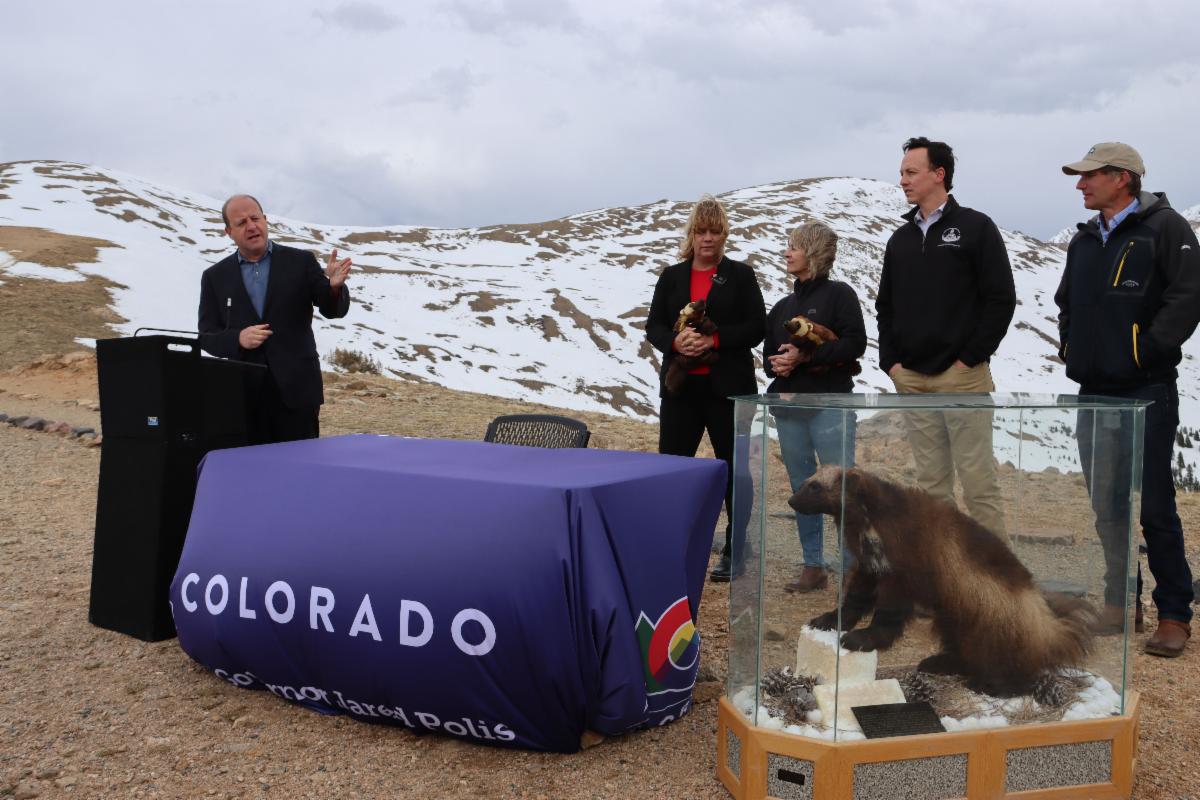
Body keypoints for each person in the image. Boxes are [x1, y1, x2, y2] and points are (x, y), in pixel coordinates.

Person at [1056, 142, 1199, 657]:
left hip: (1146, 389)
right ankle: (1119, 600)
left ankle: (1175, 614)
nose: (1080, 185)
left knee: (1155, 505)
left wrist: (1148, 350)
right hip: (1093, 389)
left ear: (1122, 177)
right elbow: (1066, 301)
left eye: (1089, 176)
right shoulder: (1085, 240)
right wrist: (1071, 344)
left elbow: (1187, 297)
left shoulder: (1166, 229)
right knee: (1107, 505)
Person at [876, 136, 1016, 536]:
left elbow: (1000, 299)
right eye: (902, 172)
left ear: (939, 174)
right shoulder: (899, 239)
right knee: (932, 488)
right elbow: (885, 306)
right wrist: (892, 364)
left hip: (963, 377)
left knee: (978, 485)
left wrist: (968, 358)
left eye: (911, 172)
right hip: (912, 379)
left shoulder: (975, 228)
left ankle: (997, 588)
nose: (902, 180)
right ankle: (945, 580)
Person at [647, 194, 766, 582]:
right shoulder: (672, 277)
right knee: (673, 468)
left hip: (726, 389)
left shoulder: (741, 276)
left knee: (734, 470)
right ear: (692, 234)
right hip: (681, 390)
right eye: (701, 231)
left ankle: (736, 548)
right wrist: (677, 343)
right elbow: (654, 327)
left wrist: (714, 342)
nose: (708, 238)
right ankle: (671, 543)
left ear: (724, 234)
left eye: (715, 231)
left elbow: (756, 328)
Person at [198, 194, 352, 443]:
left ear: (265, 220)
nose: (251, 226)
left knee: (301, 469)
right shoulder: (215, 277)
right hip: (244, 396)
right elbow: (206, 336)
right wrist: (238, 338)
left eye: (255, 218)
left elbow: (332, 309)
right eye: (241, 223)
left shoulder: (301, 261)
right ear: (229, 232)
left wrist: (333, 287)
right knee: (253, 472)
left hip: (297, 392)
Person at [764, 222, 865, 592]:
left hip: (830, 406)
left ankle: (855, 567)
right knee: (801, 488)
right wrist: (782, 364)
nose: (787, 252)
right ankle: (813, 565)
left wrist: (804, 357)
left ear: (815, 253)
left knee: (842, 488)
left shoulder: (841, 295)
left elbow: (856, 344)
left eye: (795, 247)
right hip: (789, 412)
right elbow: (766, 359)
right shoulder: (781, 307)